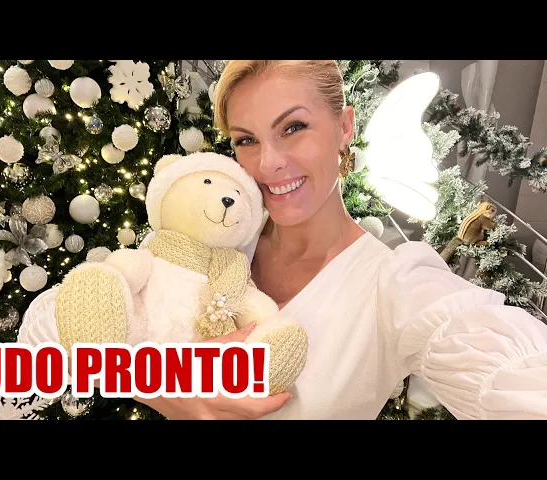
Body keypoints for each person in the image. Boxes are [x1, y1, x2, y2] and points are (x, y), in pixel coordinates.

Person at [135, 60, 547, 420]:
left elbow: (505, 373)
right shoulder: (214, 234)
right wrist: (169, 391)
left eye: (293, 128)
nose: (268, 163)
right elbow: (105, 331)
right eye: (247, 140)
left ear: (344, 127)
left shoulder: (396, 286)